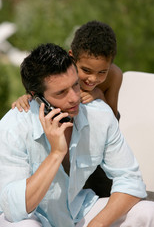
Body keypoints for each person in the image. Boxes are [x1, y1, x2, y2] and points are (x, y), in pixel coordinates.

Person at [0, 43, 154, 227]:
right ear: (37, 97)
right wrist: (56, 154)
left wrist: (97, 224)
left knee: (151, 213)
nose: (75, 97)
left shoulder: (99, 114)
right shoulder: (12, 127)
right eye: (61, 92)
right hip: (34, 218)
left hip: (79, 211)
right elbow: (13, 208)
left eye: (75, 85)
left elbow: (131, 181)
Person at [11, 20, 122, 197]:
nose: (92, 79)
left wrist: (98, 95)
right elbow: (43, 90)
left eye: (102, 72)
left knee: (104, 185)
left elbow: (111, 119)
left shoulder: (114, 76)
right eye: (86, 70)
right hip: (63, 137)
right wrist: (26, 97)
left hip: (94, 138)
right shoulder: (63, 71)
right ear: (72, 57)